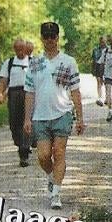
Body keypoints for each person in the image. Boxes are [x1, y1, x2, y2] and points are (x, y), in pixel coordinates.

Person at [24, 21, 85, 210]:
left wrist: (80, 118)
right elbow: (29, 92)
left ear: (58, 37)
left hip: (62, 113)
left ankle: (56, 194)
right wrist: (27, 118)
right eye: (46, 36)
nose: (50, 40)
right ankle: (51, 176)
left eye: (53, 36)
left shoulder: (68, 62)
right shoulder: (34, 63)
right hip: (40, 116)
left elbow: (75, 91)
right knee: (43, 155)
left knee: (58, 153)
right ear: (42, 38)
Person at [0, 39, 32, 167]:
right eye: (17, 49)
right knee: (14, 123)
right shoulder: (9, 62)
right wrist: (0, 93)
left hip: (28, 93)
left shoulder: (32, 62)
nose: (20, 52)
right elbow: (4, 80)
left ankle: (24, 152)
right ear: (15, 49)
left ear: (26, 49)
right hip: (13, 93)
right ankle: (20, 143)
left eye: (22, 49)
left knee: (27, 121)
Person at [91, 36, 107, 105]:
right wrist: (93, 69)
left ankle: (107, 97)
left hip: (105, 67)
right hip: (98, 66)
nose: (102, 43)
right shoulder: (95, 50)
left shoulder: (108, 50)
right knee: (99, 82)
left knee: (105, 82)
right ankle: (100, 97)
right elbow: (93, 60)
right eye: (101, 42)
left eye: (104, 42)